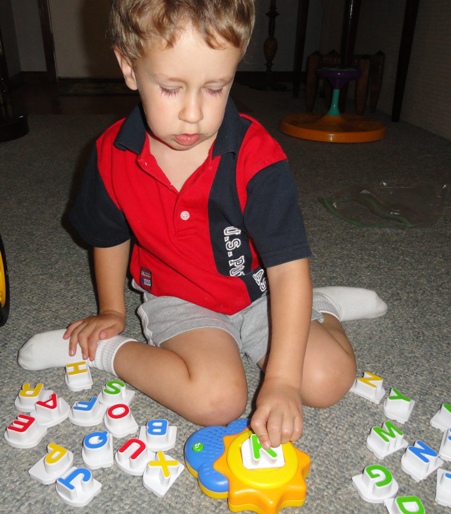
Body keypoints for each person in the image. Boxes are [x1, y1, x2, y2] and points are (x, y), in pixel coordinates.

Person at [18, 0, 387, 450]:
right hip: (179, 297)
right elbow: (108, 237)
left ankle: (319, 304)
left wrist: (284, 381)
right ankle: (106, 357)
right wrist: (112, 312)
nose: (193, 113)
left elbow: (287, 269)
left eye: (216, 87)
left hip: (259, 291)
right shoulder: (108, 155)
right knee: (216, 401)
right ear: (129, 68)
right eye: (171, 88)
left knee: (326, 381)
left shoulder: (258, 156)